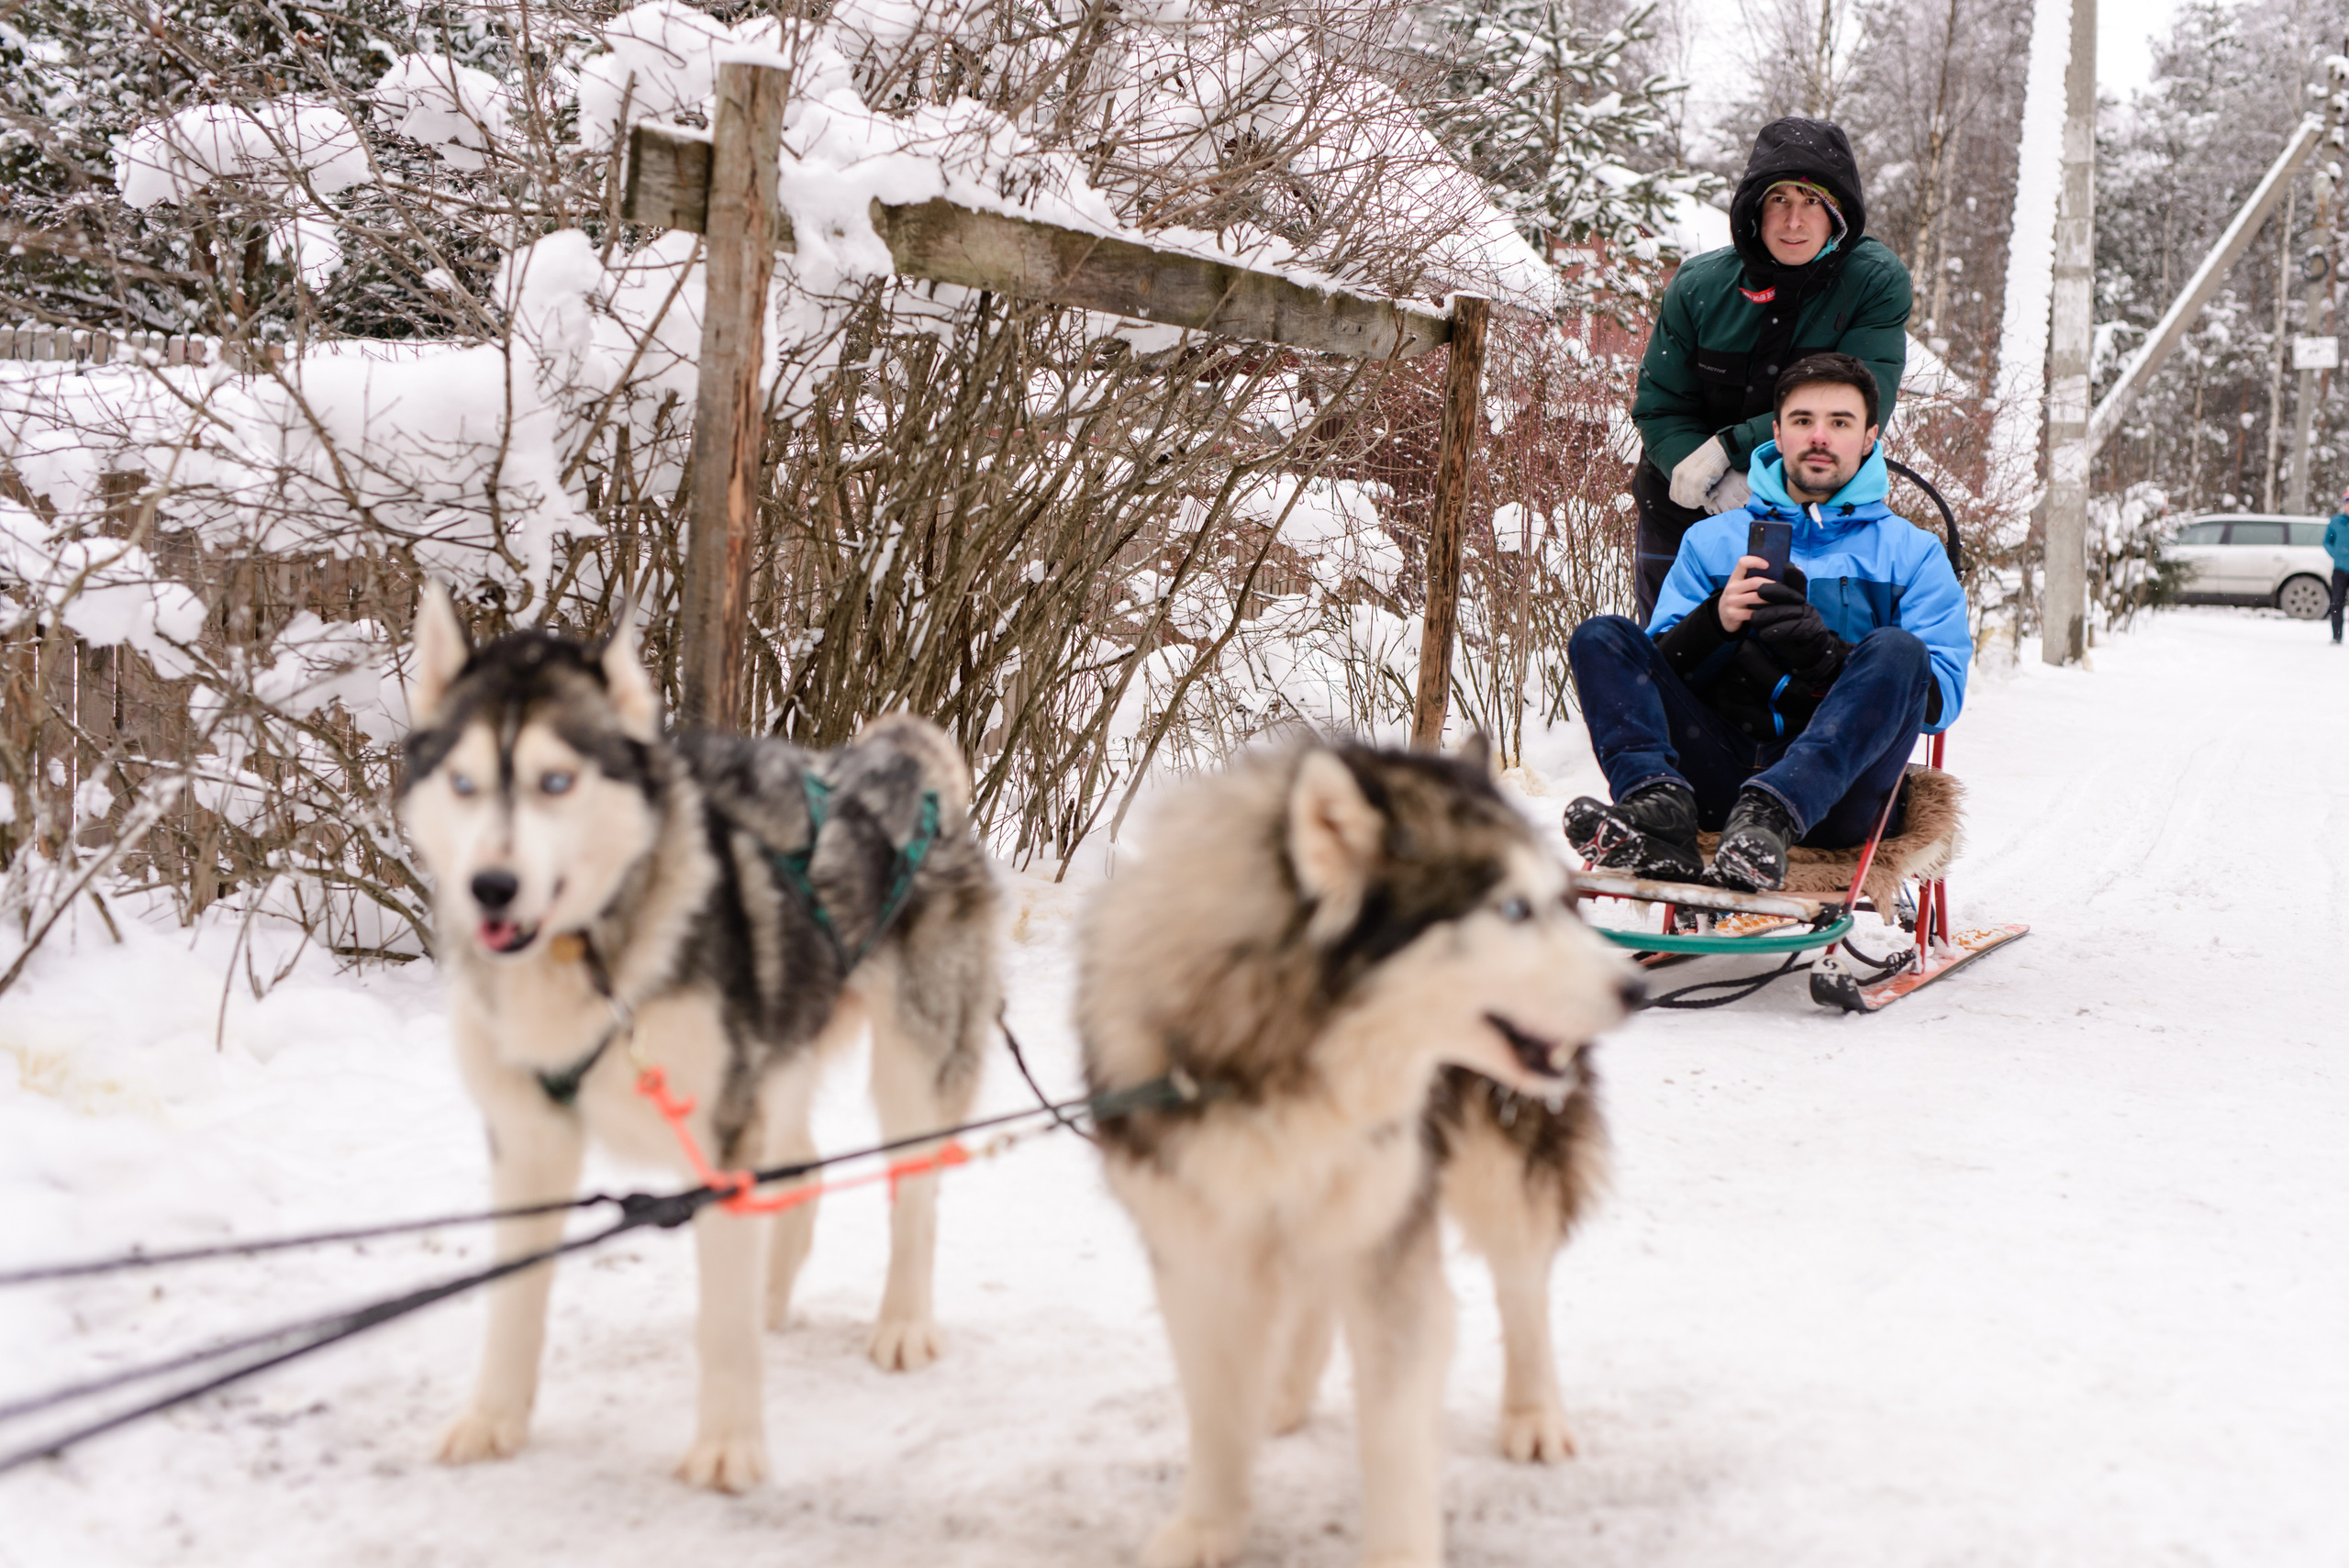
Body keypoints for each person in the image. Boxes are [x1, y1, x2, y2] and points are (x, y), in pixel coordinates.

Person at [1564, 351, 1970, 893]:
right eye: (1803, 420)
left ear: (1869, 437)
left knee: (1901, 649)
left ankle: (1773, 810)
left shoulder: (1913, 553)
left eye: (1840, 422)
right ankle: (1657, 805)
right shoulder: (1711, 541)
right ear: (1777, 434)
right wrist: (1715, 622)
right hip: (1715, 779)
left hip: (1837, 797)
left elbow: (1939, 702)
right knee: (1602, 636)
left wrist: (1830, 658)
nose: (1819, 437)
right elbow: (1652, 681)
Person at [1626, 117, 1913, 623]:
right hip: (1682, 508)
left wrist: (1731, 450)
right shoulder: (1699, 286)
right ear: (1754, 209)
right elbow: (1661, 405)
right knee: (1674, 647)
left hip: (1811, 512)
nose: (1793, 221)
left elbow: (1856, 402)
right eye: (1779, 199)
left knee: (1789, 648)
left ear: (1838, 214)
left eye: (1812, 202)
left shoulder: (1872, 283)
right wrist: (1706, 476)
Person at [2326, 487, 2349, 646]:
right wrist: (2337, 554)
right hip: (2340, 569)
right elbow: (2327, 541)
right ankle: (2337, 636)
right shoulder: (2336, 521)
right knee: (2337, 602)